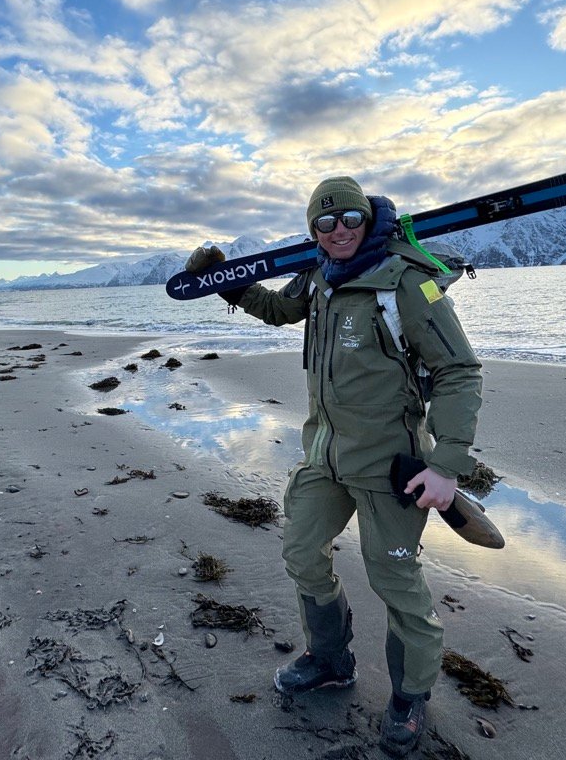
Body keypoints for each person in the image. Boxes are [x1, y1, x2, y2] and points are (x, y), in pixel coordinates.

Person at [184, 176, 483, 756]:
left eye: (349, 219)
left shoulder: (409, 285)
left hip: (387, 465)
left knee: (394, 580)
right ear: (312, 230)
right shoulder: (319, 276)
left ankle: (409, 697)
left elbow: (459, 372)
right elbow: (275, 309)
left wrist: (447, 465)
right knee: (301, 552)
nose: (338, 231)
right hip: (323, 456)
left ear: (368, 219)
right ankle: (329, 658)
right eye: (325, 223)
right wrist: (227, 279)